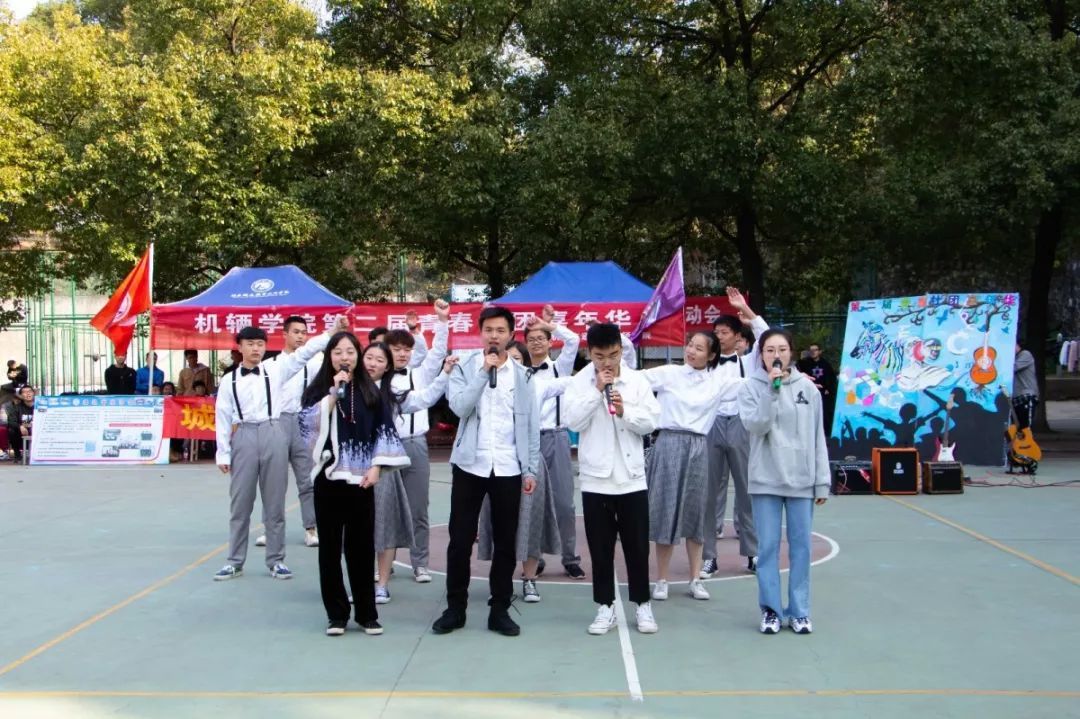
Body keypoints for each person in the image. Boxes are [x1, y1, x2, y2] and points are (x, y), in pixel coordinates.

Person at [211, 317, 346, 583]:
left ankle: (276, 560)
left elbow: (305, 352)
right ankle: (234, 561)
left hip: (274, 431)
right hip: (244, 435)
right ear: (239, 347)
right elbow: (222, 416)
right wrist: (223, 453)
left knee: (275, 501)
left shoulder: (276, 369)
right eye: (250, 344)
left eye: (260, 344)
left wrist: (330, 332)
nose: (256, 349)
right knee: (240, 503)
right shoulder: (229, 380)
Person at [432, 306, 539, 637]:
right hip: (470, 464)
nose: (494, 336)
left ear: (511, 335)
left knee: (506, 541)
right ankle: (455, 608)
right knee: (460, 539)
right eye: (489, 330)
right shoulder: (464, 367)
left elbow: (530, 425)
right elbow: (459, 407)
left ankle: (499, 609)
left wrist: (530, 469)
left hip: (508, 466)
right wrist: (483, 372)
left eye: (500, 330)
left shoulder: (523, 376)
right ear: (480, 333)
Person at [298, 332, 410, 636]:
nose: (344, 357)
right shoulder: (317, 390)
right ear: (329, 356)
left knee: (361, 547)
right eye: (338, 352)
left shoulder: (370, 391)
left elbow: (384, 430)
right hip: (328, 478)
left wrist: (376, 467)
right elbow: (306, 426)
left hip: (362, 480)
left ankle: (367, 614)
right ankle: (336, 615)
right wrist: (332, 397)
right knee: (329, 550)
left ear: (357, 356)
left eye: (350, 351)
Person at [564, 323, 661, 635]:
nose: (607, 362)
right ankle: (604, 607)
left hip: (632, 478)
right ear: (589, 353)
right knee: (601, 548)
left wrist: (625, 411)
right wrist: (596, 392)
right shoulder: (579, 383)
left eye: (613, 355)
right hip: (596, 478)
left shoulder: (636, 380)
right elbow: (572, 422)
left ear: (621, 350)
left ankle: (642, 604)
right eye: (599, 356)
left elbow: (651, 421)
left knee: (637, 548)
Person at [642, 331, 745, 602]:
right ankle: (661, 579)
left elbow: (752, 385)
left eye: (699, 348)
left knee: (697, 514)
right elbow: (634, 378)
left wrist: (787, 377)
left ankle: (695, 578)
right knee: (666, 512)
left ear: (711, 355)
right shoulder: (669, 373)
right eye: (690, 345)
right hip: (668, 443)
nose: (691, 351)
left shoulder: (718, 382)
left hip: (699, 447)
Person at [739, 328, 829, 635]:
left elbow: (817, 437)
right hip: (765, 478)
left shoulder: (809, 389)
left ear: (791, 353)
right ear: (761, 355)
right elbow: (757, 425)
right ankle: (771, 610)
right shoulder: (750, 388)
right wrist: (771, 390)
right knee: (767, 548)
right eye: (769, 350)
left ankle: (799, 611)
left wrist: (822, 481)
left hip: (801, 480)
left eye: (781, 349)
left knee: (801, 548)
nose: (776, 355)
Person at [364, 342, 456, 604]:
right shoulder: (347, 389)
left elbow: (425, 398)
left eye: (379, 359)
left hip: (387, 457)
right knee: (362, 522)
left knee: (398, 512)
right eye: (369, 357)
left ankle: (393, 577)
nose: (373, 363)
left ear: (387, 366)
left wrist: (445, 373)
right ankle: (364, 579)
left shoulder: (392, 393)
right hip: (355, 463)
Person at [703, 288, 767, 579]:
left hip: (741, 424)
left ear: (737, 335)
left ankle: (752, 553)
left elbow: (765, 335)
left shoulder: (750, 361)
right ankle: (708, 556)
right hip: (712, 424)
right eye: (716, 332)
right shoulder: (706, 364)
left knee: (746, 490)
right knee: (709, 492)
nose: (719, 336)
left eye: (724, 332)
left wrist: (746, 310)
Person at [385, 300, 451, 583]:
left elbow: (437, 353)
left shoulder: (420, 374)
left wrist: (442, 322)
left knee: (418, 508)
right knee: (385, 508)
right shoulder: (378, 379)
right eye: (396, 349)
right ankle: (385, 562)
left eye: (406, 349)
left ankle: (419, 562)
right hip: (387, 447)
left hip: (416, 444)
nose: (402, 353)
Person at [523, 305, 586, 579]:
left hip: (557, 437)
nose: (537, 342)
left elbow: (573, 340)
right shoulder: (520, 373)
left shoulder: (561, 368)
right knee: (531, 503)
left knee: (564, 503)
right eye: (531, 339)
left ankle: (570, 558)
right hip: (529, 441)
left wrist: (551, 325)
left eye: (542, 338)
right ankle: (534, 558)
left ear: (550, 342)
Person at [254, 315, 325, 550]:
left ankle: (311, 528)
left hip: (303, 422)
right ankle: (270, 529)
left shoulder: (313, 363)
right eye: (296, 332)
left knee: (308, 478)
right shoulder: (270, 365)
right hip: (278, 422)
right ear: (284, 334)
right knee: (274, 480)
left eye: (304, 332)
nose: (301, 336)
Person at [796, 343, 838, 437]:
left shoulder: (826, 364)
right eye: (811, 350)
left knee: (823, 415)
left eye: (815, 350)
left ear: (820, 351)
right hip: (809, 394)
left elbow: (831, 379)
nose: (813, 352)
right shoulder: (805, 363)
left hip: (823, 394)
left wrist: (828, 389)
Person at [1013, 341, 1039, 431]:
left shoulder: (1025, 354)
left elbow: (1013, 367)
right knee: (1017, 429)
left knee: (1026, 428)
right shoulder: (1014, 358)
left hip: (1026, 396)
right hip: (1016, 397)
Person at [5, 385, 35, 461]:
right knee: (11, 430)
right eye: (25, 392)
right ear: (21, 396)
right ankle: (17, 454)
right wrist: (20, 426)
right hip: (21, 434)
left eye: (30, 391)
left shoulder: (40, 406)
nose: (28, 393)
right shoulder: (16, 408)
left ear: (33, 393)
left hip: (37, 432)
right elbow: (10, 421)